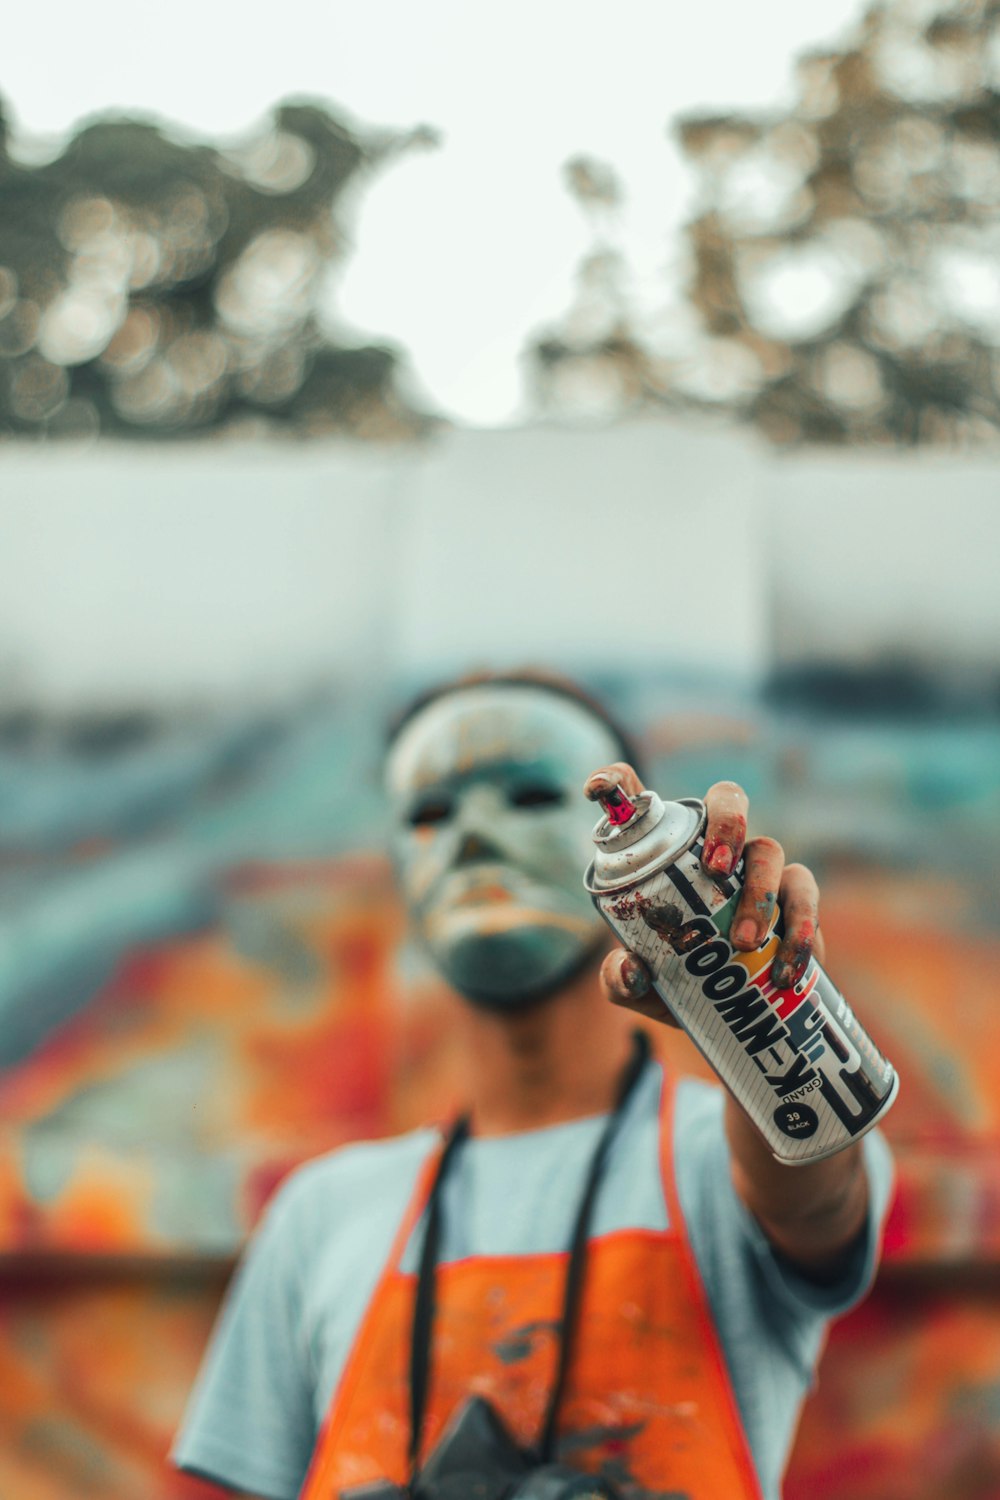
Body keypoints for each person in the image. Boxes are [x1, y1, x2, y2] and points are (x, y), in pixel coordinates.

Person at [172, 670, 893, 1500]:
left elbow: (817, 1189)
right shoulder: (320, 1215)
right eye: (429, 813)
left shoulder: (721, 1160)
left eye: (527, 796)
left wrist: (754, 996)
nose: (471, 838)